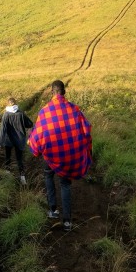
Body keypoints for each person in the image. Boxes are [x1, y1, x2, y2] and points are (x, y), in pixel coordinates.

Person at [28, 79, 92, 231]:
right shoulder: (75, 110)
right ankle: (67, 222)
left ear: (52, 92)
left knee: (48, 176)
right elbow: (86, 130)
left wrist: (33, 146)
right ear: (64, 92)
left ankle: (52, 210)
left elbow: (37, 135)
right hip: (68, 156)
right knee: (65, 184)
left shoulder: (45, 111)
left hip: (50, 157)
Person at [0, 97, 33, 185]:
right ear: (15, 103)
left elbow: (3, 130)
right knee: (19, 159)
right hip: (19, 139)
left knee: (8, 157)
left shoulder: (6, 115)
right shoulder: (21, 113)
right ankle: (22, 178)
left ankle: (8, 174)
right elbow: (30, 124)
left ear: (7, 104)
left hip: (8, 140)